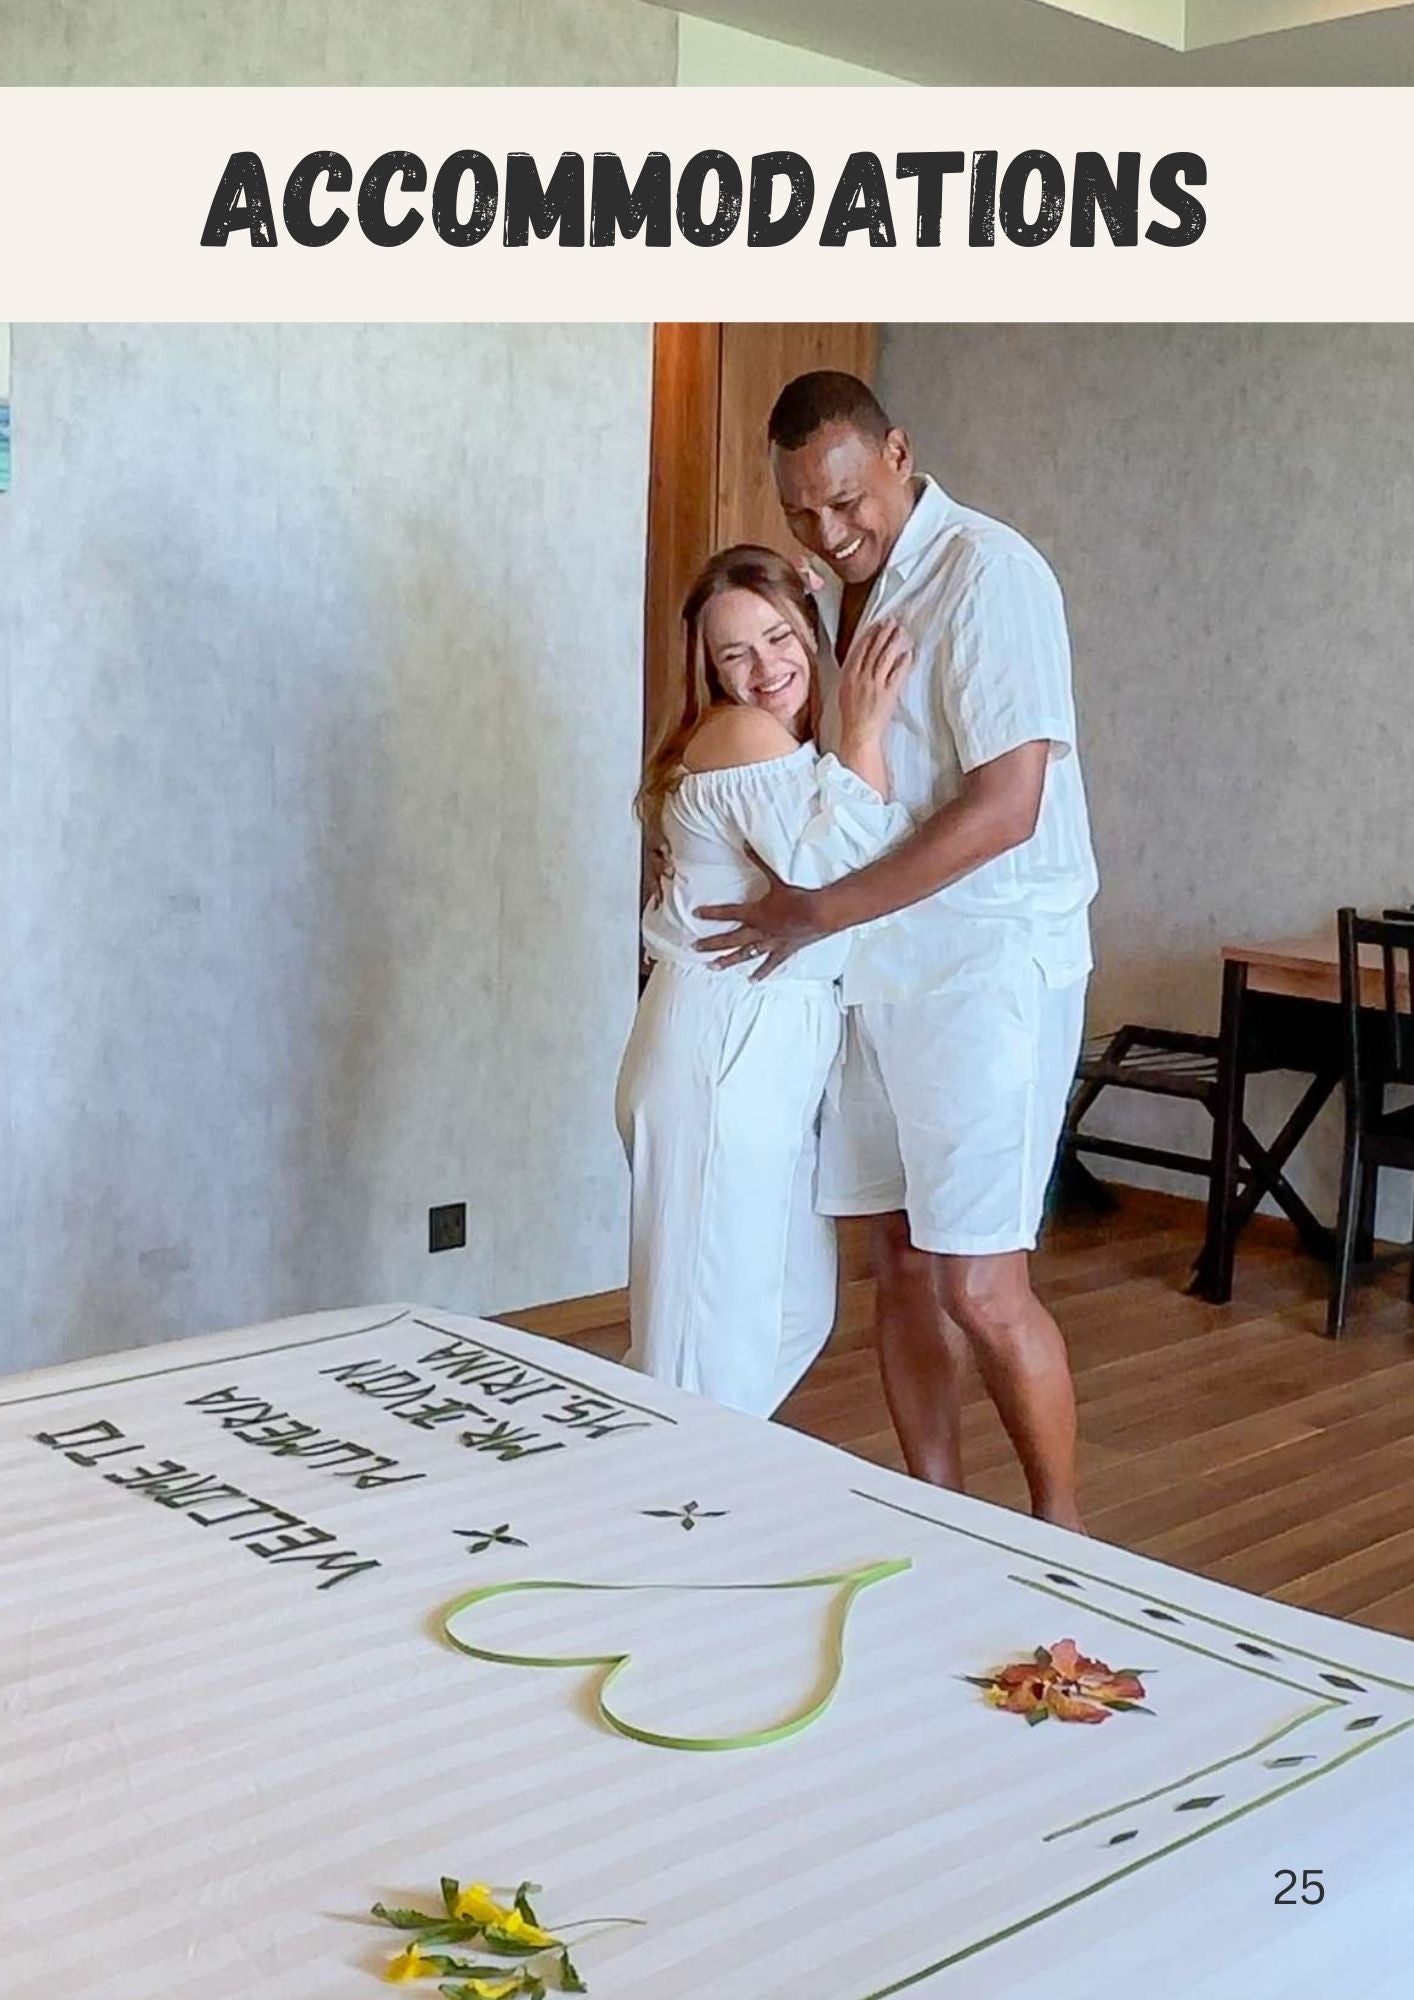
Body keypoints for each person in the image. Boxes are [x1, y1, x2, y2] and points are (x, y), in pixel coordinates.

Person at [696, 373, 1099, 1530]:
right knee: (899, 1260)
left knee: (979, 1276)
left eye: (841, 502)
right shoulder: (838, 596)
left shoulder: (990, 572)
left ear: (897, 452)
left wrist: (819, 907)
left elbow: (1006, 804)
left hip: (985, 968)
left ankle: (1067, 1540)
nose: (826, 532)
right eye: (799, 514)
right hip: (877, 974)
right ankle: (944, 1522)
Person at [616, 545, 912, 1417]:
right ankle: (662, 1523)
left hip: (757, 1046)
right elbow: (828, 887)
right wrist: (861, 734)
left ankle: (694, 1502)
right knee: (699, 1347)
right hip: (722, 1045)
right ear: (706, 668)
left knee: (789, 1314)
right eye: (733, 653)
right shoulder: (742, 734)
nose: (764, 668)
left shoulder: (776, 747)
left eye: (779, 637)